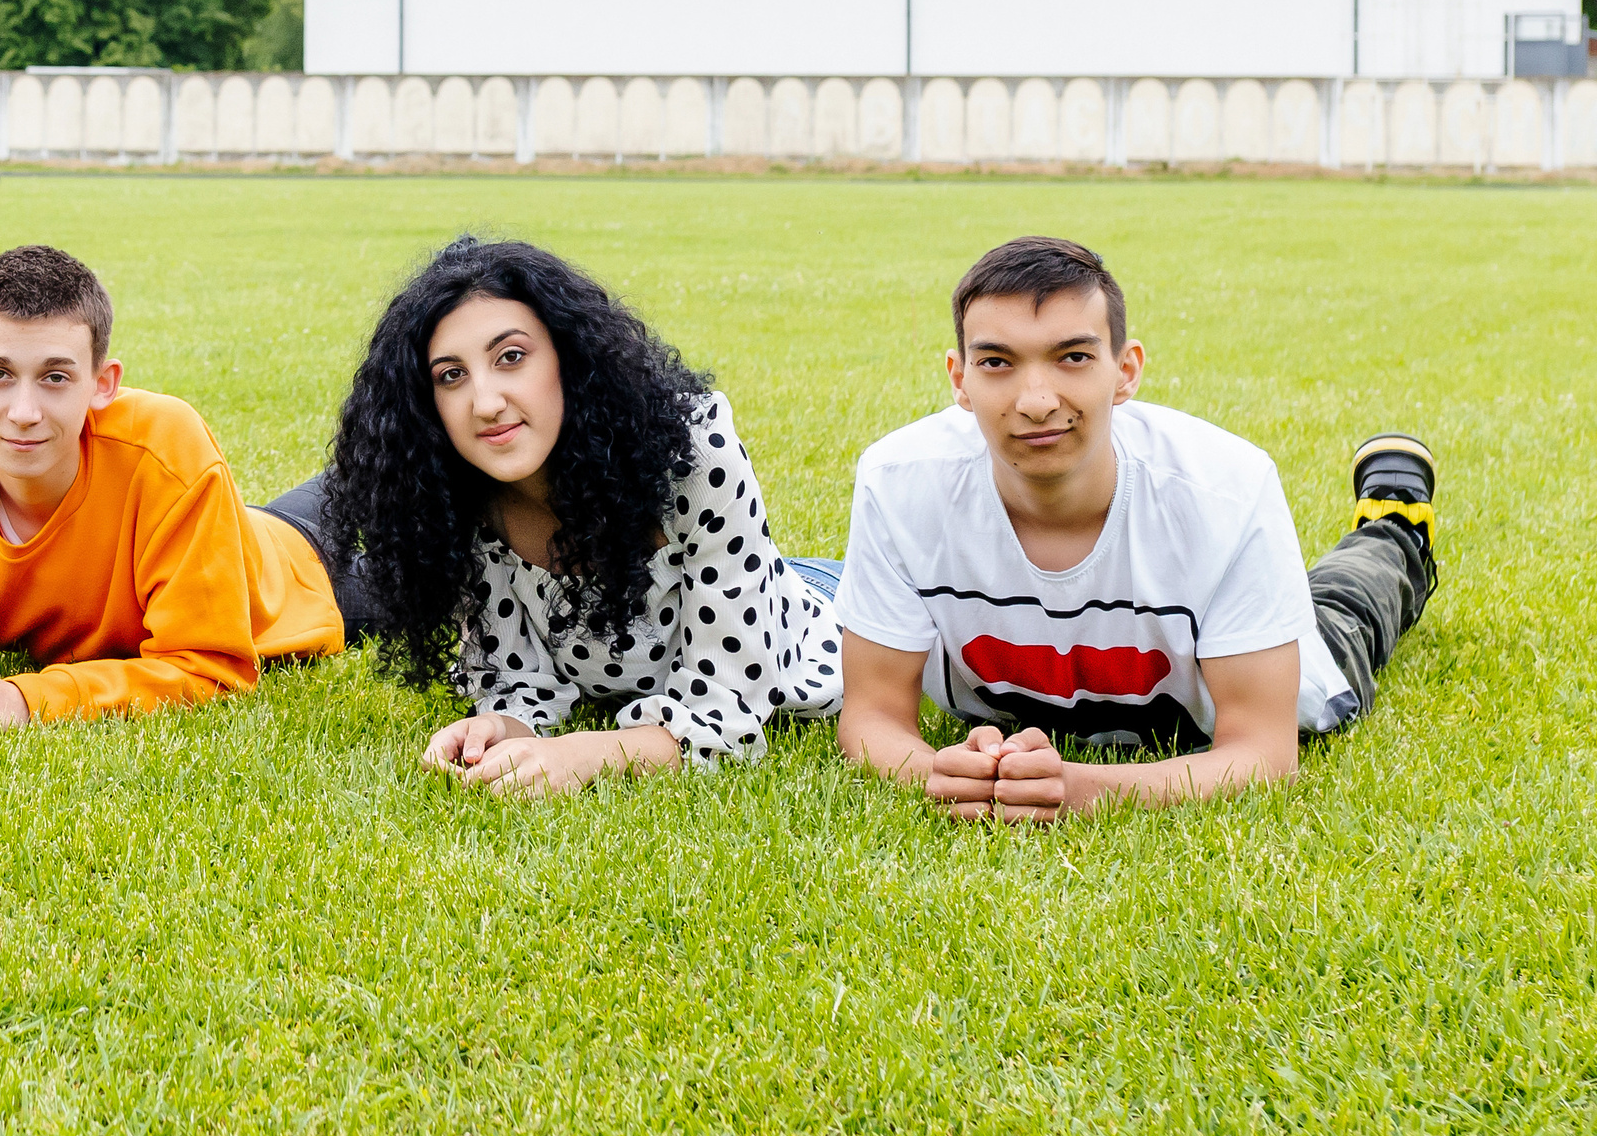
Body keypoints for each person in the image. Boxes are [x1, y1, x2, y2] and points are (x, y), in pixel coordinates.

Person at [831, 235, 1440, 819]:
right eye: (996, 362)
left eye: (1073, 357)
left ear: (1125, 371)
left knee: (1343, 608)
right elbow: (871, 717)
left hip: (1249, 658)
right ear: (959, 378)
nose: (1037, 401)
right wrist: (936, 773)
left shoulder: (1226, 489)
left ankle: (1392, 521)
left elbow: (1263, 754)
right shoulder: (899, 483)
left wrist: (1080, 789)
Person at [316, 237, 844, 798]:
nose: (486, 403)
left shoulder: (692, 455)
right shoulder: (460, 498)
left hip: (815, 605)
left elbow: (727, 718)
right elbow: (519, 682)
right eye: (451, 375)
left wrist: (589, 754)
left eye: (510, 357)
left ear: (569, 358)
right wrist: (499, 728)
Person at [0, 244, 345, 729]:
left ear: (102, 383)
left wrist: (27, 699)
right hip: (235, 529)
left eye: (55, 377)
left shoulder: (168, 447)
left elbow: (207, 668)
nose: (24, 413)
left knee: (377, 472)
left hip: (311, 567)